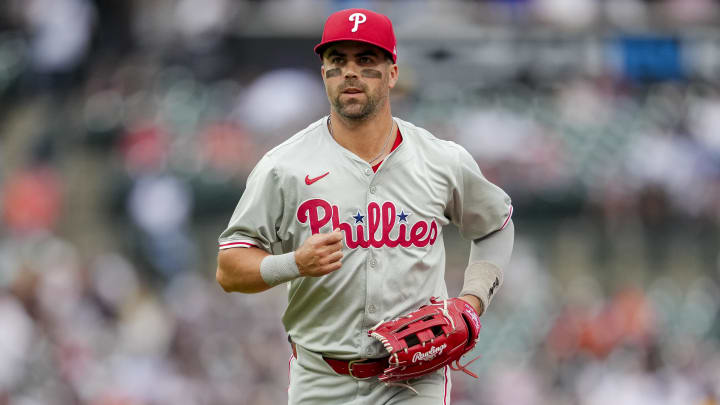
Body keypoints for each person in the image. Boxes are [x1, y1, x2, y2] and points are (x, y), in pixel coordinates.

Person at [216, 8, 514, 404]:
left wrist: (472, 300)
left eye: (366, 60)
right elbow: (229, 269)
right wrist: (293, 264)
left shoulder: (441, 160)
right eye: (337, 62)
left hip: (415, 379)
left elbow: (495, 224)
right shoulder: (282, 167)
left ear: (392, 73)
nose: (350, 72)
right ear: (324, 75)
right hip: (321, 378)